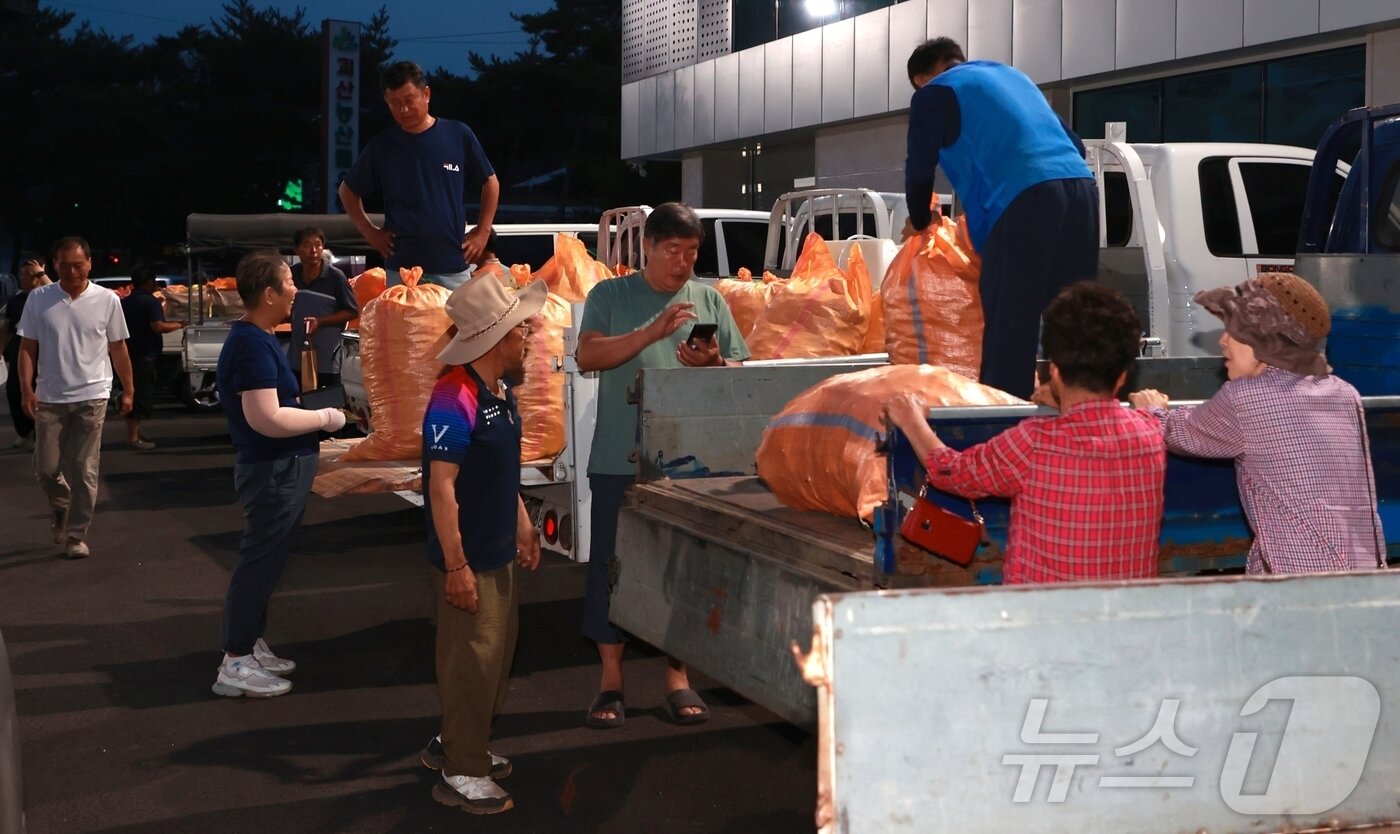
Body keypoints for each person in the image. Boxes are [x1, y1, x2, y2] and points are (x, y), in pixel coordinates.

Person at [575, 202, 750, 728]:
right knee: (612, 564)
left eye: (691, 252)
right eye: (672, 250)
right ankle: (611, 682)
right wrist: (651, 334)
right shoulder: (610, 295)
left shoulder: (709, 299)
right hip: (618, 456)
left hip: (688, 460)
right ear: (647, 246)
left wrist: (715, 363)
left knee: (683, 567)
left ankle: (678, 677)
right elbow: (588, 356)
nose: (681, 262)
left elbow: (740, 368)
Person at [885, 282, 1165, 583]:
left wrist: (911, 420)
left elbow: (951, 471)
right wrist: (1152, 407)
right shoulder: (1152, 434)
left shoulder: (1033, 442)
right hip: (1126, 622)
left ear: (1054, 370)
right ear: (1123, 375)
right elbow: (1115, 419)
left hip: (1041, 623)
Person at [1129, 274, 1385, 574]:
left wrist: (1152, 410)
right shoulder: (1344, 393)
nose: (1223, 341)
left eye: (1235, 332)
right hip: (1361, 569)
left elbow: (1180, 432)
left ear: (1267, 340)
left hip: (1293, 578)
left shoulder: (1248, 398)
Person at [903, 37, 1098, 399]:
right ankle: (1084, 420)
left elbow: (919, 167)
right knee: (1075, 319)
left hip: (1023, 199)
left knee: (1012, 323)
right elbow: (1077, 144)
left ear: (921, 78)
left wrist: (919, 218)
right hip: (1081, 191)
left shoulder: (934, 93)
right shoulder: (1013, 77)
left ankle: (1003, 430)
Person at [415, 275, 544, 815]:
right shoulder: (455, 394)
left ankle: (457, 741)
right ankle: (462, 769)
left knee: (492, 655)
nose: (531, 337)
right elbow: (440, 486)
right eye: (523, 330)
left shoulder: (500, 390)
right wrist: (457, 565)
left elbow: (501, 472)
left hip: (496, 549)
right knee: (473, 659)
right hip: (468, 557)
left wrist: (523, 525)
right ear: (497, 339)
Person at [210, 251, 347, 699]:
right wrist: (326, 418)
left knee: (268, 562)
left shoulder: (260, 336)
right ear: (268, 293)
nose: (295, 290)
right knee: (259, 562)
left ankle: (248, 642)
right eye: (288, 283)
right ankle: (235, 661)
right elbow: (266, 418)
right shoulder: (251, 343)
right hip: (272, 469)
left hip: (281, 467)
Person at [16, 238, 134, 559]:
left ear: (90, 263)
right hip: (50, 396)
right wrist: (27, 389)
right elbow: (27, 348)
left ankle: (75, 535)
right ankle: (60, 505)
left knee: (84, 468)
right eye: (65, 265)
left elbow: (118, 347)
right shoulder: (39, 299)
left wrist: (128, 390)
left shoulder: (107, 300)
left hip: (92, 393)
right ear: (54, 265)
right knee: (46, 467)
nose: (71, 271)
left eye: (78, 264)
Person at [339, 60, 499, 291]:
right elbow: (347, 191)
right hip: (402, 270)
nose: (403, 109)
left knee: (457, 326)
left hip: (452, 265)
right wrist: (371, 234)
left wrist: (483, 232)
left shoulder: (457, 134)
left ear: (426, 94)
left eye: (408, 100)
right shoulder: (383, 145)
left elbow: (490, 182)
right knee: (405, 326)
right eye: (395, 103)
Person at [121, 265, 185, 450]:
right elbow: (158, 326)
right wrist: (179, 324)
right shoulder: (151, 302)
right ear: (148, 282)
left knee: (131, 392)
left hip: (129, 353)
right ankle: (133, 438)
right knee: (142, 395)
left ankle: (133, 433)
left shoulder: (125, 302)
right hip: (146, 355)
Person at [285, 227, 358, 390]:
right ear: (297, 250)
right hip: (298, 359)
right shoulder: (291, 275)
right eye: (307, 245)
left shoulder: (335, 277)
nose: (313, 250)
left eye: (317, 245)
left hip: (328, 361)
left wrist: (320, 322)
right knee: (300, 405)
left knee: (328, 407)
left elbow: (352, 311)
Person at [0, 259, 50, 450]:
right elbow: (7, 328)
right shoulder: (16, 301)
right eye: (21, 274)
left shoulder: (49, 297)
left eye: (28, 273)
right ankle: (24, 431)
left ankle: (40, 434)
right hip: (20, 353)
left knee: (41, 395)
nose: (23, 278)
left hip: (44, 355)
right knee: (15, 391)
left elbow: (55, 290)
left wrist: (41, 274)